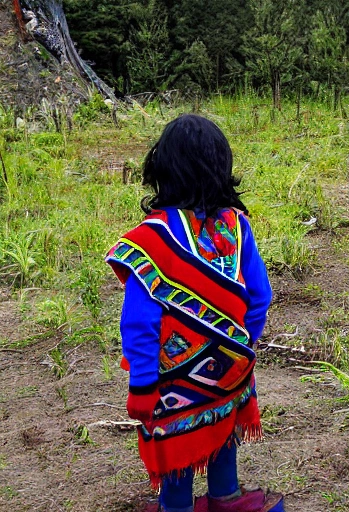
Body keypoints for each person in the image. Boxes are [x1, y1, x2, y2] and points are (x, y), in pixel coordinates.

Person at [106, 114, 284, 512]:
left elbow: (139, 321)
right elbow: (260, 296)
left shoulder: (149, 241)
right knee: (224, 430)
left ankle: (178, 508)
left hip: (173, 384)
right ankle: (226, 498)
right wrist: (241, 345)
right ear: (222, 167)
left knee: (177, 449)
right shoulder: (235, 227)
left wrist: (142, 384)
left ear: (162, 169)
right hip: (229, 371)